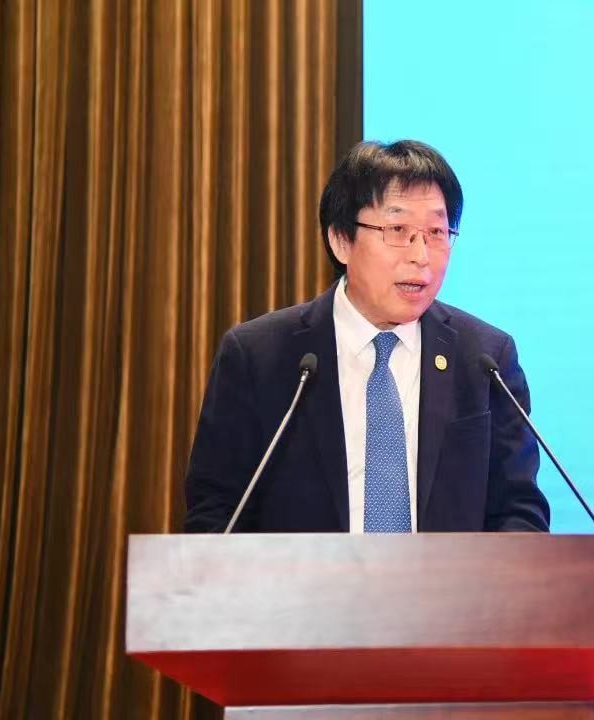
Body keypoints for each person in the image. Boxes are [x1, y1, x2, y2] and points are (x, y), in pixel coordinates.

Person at [184, 140, 550, 533]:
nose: (421, 256)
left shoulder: (486, 359)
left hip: (449, 577)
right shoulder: (259, 357)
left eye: (436, 232)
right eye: (398, 230)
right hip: (304, 575)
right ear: (341, 240)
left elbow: (520, 513)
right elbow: (217, 515)